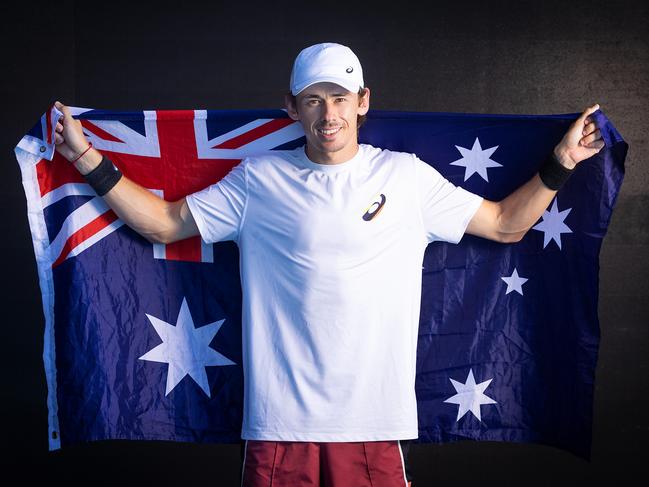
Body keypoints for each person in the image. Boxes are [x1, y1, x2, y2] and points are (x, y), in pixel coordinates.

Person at [53, 42, 604, 487]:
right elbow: (164, 223)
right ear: (292, 108)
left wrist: (562, 162)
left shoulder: (406, 178)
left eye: (339, 97)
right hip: (278, 427)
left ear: (363, 100)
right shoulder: (259, 180)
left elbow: (507, 223)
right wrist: (85, 157)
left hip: (372, 425)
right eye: (313, 99)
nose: (328, 113)